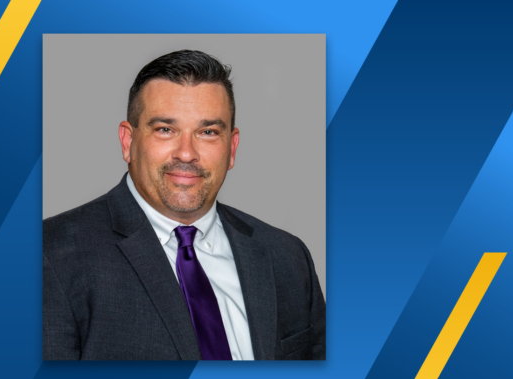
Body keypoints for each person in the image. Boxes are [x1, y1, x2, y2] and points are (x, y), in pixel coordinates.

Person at [43, 49, 325, 360]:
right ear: (128, 142)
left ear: (231, 148)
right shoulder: (50, 256)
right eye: (165, 129)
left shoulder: (287, 257)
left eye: (207, 132)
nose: (187, 153)